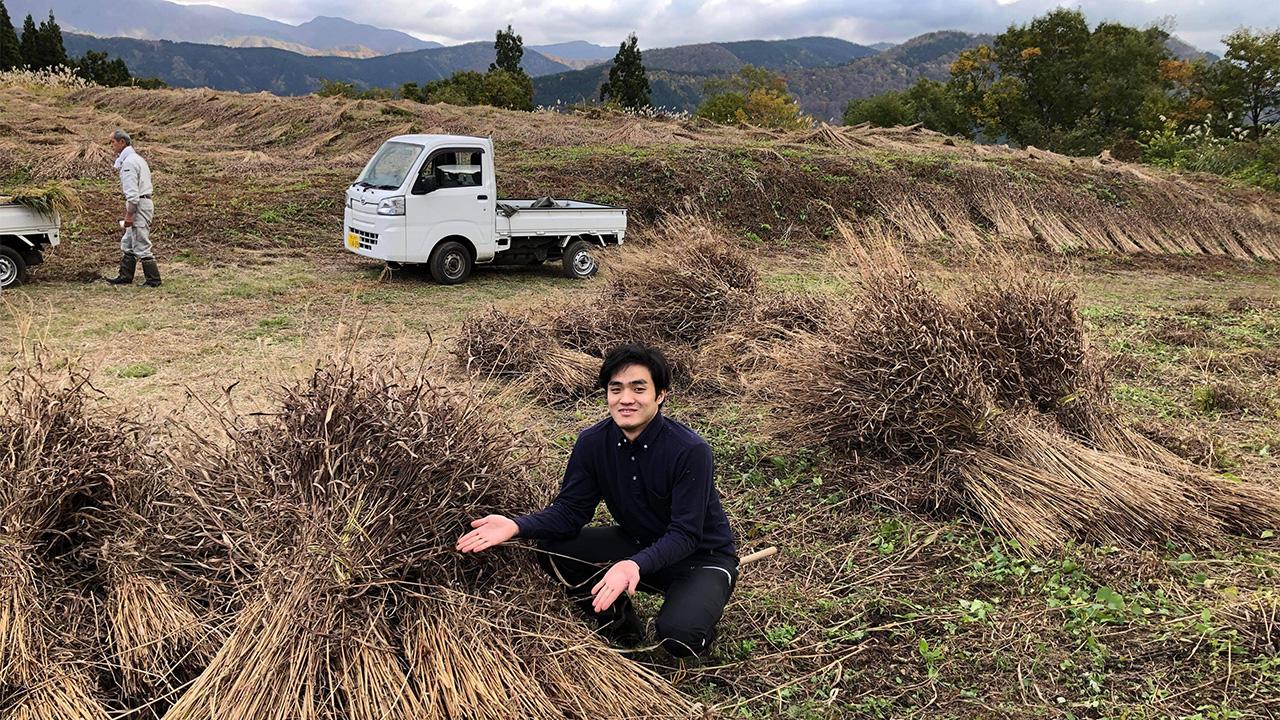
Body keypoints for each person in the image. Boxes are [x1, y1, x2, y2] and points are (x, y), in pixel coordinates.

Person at [456, 344, 738, 658]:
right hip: (639, 541)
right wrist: (516, 526)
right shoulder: (592, 443)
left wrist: (634, 564)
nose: (626, 399)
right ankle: (620, 624)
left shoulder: (689, 449)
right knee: (553, 550)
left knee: (680, 636)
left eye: (638, 388)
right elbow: (571, 511)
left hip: (701, 557)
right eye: (615, 389)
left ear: (660, 395)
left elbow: (686, 534)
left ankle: (694, 617)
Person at [104, 129, 160, 287]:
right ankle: (125, 276)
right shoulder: (137, 159)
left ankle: (153, 280)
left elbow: (133, 195)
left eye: (113, 142)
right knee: (128, 242)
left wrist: (129, 215)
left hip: (139, 205)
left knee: (141, 242)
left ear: (122, 142)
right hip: (142, 203)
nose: (111, 145)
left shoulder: (128, 163)